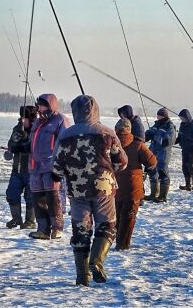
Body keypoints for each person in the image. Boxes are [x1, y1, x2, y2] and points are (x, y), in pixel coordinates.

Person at [52, 95, 128, 286]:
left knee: (81, 229)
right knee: (107, 225)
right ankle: (97, 260)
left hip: (77, 190)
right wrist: (110, 172)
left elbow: (56, 167)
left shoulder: (66, 135)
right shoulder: (108, 133)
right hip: (104, 187)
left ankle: (82, 276)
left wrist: (63, 175)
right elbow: (122, 162)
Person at [28, 94, 70, 240]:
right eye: (38, 105)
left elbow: (65, 143)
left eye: (42, 105)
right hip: (35, 166)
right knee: (37, 199)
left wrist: (60, 165)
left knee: (53, 198)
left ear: (50, 105)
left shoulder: (60, 120)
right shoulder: (38, 122)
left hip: (51, 166)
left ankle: (57, 228)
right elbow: (31, 141)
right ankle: (43, 229)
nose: (39, 108)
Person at [114, 118, 156, 250]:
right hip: (133, 187)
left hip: (114, 185)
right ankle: (123, 244)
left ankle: (115, 240)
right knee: (129, 215)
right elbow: (152, 161)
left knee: (117, 214)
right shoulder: (138, 144)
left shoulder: (110, 144)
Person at [5, 105, 38, 229]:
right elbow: (11, 144)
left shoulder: (37, 130)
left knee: (30, 196)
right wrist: (15, 143)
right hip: (17, 169)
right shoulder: (17, 129)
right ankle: (16, 219)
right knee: (12, 194)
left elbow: (38, 148)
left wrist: (26, 143)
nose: (22, 120)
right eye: (21, 117)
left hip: (32, 170)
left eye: (25, 118)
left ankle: (30, 221)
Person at [144, 108, 176, 203]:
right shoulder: (157, 124)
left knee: (163, 172)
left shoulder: (170, 126)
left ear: (164, 115)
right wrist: (145, 136)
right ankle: (153, 194)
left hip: (163, 153)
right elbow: (150, 132)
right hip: (153, 151)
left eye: (160, 115)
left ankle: (163, 196)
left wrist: (156, 137)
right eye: (158, 115)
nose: (158, 117)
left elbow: (169, 140)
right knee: (152, 171)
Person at [176, 109, 193, 191]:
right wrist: (171, 142)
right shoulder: (182, 125)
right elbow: (179, 137)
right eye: (181, 118)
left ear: (187, 116)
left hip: (192, 149)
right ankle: (188, 184)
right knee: (185, 167)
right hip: (184, 148)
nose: (182, 119)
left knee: (192, 166)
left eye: (183, 117)